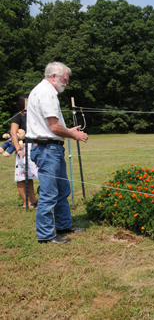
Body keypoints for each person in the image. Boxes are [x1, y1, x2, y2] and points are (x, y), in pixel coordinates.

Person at [26, 62, 88, 244]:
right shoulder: (46, 93)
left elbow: (50, 126)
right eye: (65, 79)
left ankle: (63, 224)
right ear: (54, 76)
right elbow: (53, 127)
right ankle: (45, 235)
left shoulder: (45, 91)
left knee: (62, 189)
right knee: (49, 192)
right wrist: (73, 134)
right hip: (47, 149)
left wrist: (67, 130)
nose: (66, 83)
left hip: (51, 147)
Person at [11, 94, 38, 208]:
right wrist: (18, 149)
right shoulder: (17, 116)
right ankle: (25, 202)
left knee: (30, 176)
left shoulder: (32, 116)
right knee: (22, 176)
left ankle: (33, 200)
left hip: (33, 147)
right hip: (23, 148)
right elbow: (13, 133)